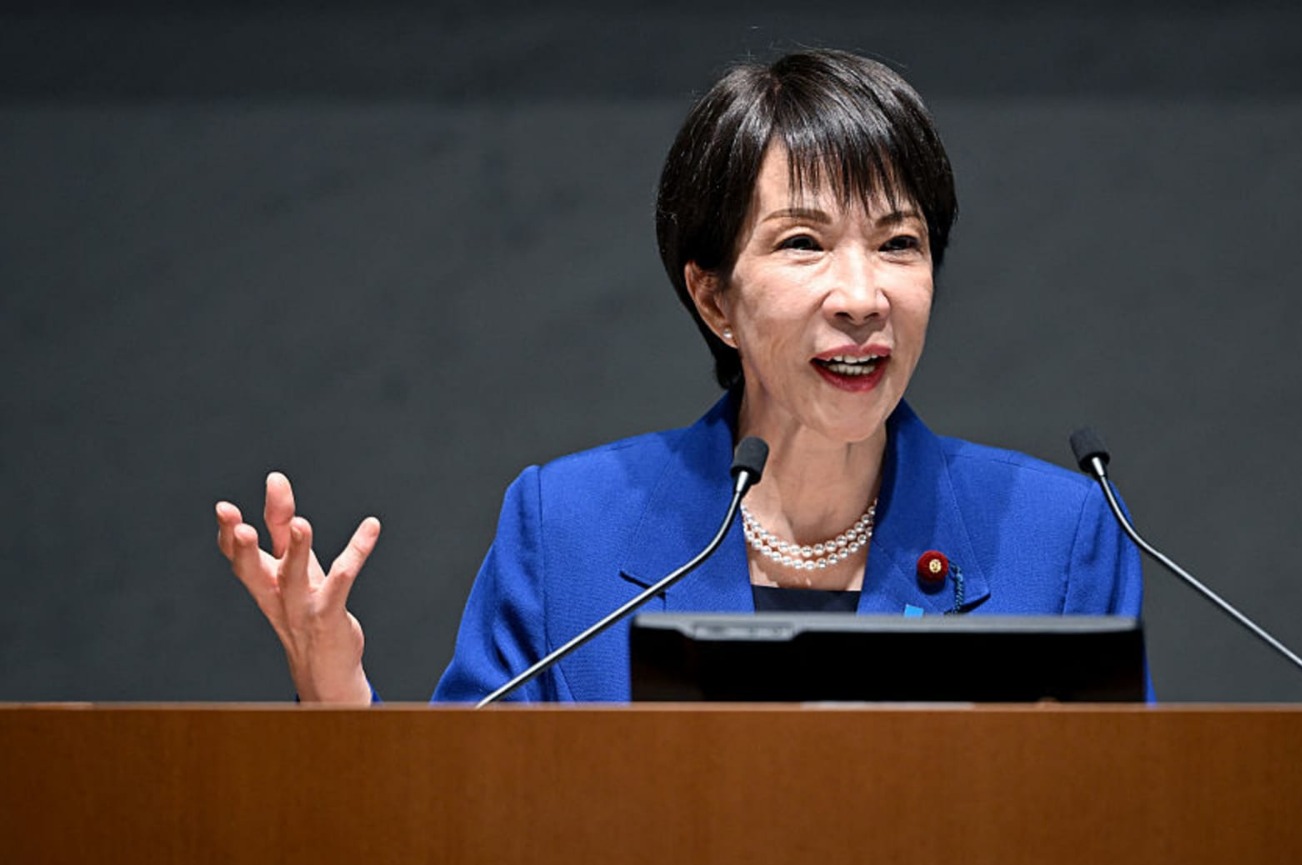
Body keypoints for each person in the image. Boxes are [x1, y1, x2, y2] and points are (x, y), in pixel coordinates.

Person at [214, 49, 1143, 705]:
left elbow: (1116, 839)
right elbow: (464, 832)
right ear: (713, 298)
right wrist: (338, 698)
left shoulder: (1058, 539)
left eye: (899, 243)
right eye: (804, 242)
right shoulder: (568, 528)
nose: (863, 297)